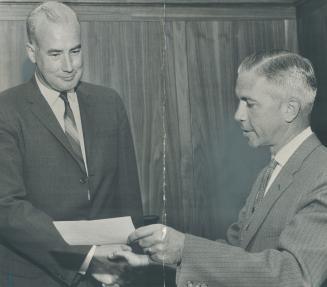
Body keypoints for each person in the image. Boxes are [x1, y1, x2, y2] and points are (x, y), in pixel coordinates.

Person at [114, 51, 327, 287]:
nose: (238, 115)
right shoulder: (270, 170)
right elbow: (237, 249)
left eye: (249, 103)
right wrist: (148, 266)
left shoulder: (322, 174)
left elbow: (296, 276)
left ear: (290, 109)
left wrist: (185, 248)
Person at [0, 2, 143, 287]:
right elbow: (6, 207)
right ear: (32, 53)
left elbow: (128, 196)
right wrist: (86, 258)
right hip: (37, 276)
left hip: (109, 276)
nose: (68, 66)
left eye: (75, 51)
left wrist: (128, 260)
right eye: (55, 54)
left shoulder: (109, 103)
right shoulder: (7, 109)